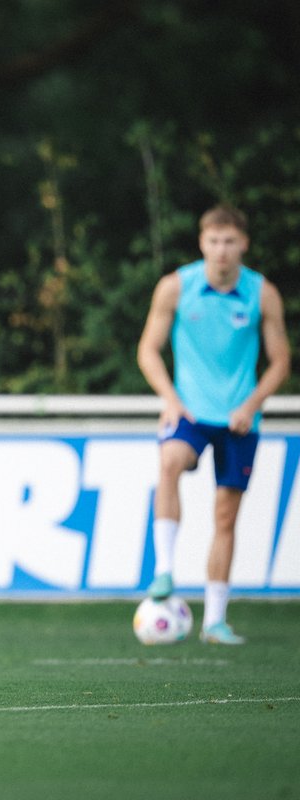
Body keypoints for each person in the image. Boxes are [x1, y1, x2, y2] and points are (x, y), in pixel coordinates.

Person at [136, 204, 290, 645]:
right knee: (170, 461)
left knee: (226, 515)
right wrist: (170, 399)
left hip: (239, 419)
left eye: (229, 241)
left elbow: (281, 362)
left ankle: (215, 622)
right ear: (202, 243)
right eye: (214, 241)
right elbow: (147, 350)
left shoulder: (262, 294)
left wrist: (251, 404)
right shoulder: (175, 287)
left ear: (244, 245)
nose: (221, 250)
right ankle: (164, 570)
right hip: (189, 412)